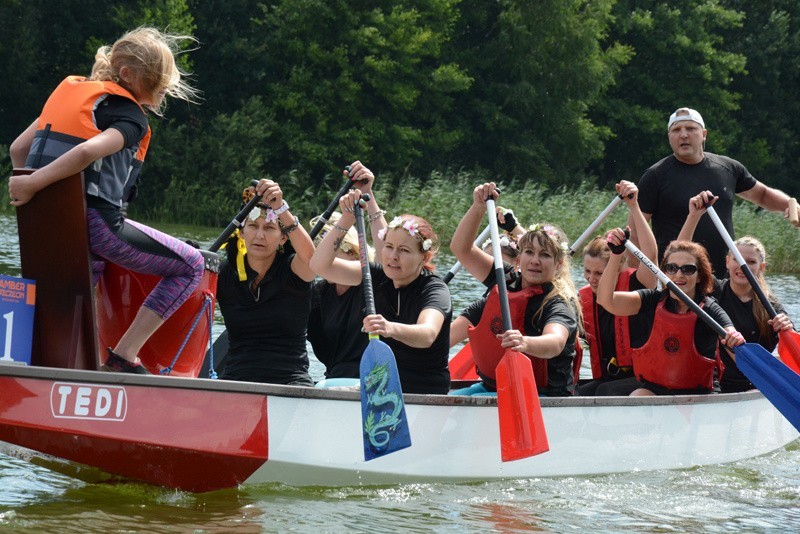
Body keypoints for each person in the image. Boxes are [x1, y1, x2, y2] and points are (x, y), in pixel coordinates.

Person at [7, 27, 204, 374]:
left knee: (85, 277)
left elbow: (18, 149)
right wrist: (35, 183)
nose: (162, 91)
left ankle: (67, 365)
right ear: (128, 75)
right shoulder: (130, 117)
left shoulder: (73, 94)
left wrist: (31, 188)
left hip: (47, 225)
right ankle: (124, 355)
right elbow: (86, 151)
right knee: (190, 265)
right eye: (157, 82)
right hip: (96, 225)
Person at [310, 190, 451, 394]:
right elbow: (319, 266)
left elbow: (427, 334)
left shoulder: (434, 289)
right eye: (389, 247)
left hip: (424, 390)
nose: (393, 256)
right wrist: (347, 218)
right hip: (381, 386)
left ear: (424, 257)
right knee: (324, 390)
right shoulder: (376, 275)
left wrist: (389, 328)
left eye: (404, 250)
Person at [449, 183, 580, 397]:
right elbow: (461, 249)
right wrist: (478, 207)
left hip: (542, 396)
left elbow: (555, 342)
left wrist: (524, 341)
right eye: (529, 252)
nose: (535, 261)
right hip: (497, 387)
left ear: (558, 265)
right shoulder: (505, 279)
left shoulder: (559, 301)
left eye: (545, 255)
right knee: (451, 399)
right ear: (519, 259)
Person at [637, 107, 800, 279]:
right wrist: (640, 280)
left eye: (691, 129)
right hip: (678, 278)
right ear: (669, 137)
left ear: (704, 134)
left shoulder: (728, 168)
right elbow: (635, 233)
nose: (683, 135)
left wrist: (790, 205)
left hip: (725, 279)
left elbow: (762, 195)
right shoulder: (655, 175)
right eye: (676, 130)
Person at [596, 233, 744, 396]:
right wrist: (616, 255)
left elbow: (730, 333)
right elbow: (606, 300)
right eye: (671, 268)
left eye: (688, 269)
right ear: (664, 273)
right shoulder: (651, 300)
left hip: (699, 393)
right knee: (638, 395)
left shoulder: (709, 309)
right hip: (657, 389)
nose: (679, 275)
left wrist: (734, 337)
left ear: (700, 276)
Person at [679, 191, 795, 392]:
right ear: (727, 262)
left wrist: (787, 326)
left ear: (762, 268)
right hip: (712, 384)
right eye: (737, 260)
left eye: (751, 262)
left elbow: (789, 339)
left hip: (754, 386)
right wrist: (693, 216)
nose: (743, 267)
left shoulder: (770, 305)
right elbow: (680, 255)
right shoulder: (713, 289)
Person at [216, 180, 316, 385]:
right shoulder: (224, 273)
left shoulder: (294, 270)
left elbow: (311, 259)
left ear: (283, 238)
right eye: (253, 226)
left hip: (289, 382)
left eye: (269, 228)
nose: (259, 235)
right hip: (235, 380)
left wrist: (281, 209)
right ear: (241, 233)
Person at [577, 180, 659, 396]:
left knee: (603, 390)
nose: (592, 279)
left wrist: (634, 206)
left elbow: (650, 255)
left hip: (643, 378)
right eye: (587, 272)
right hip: (609, 377)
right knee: (575, 392)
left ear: (618, 266)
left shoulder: (637, 286)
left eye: (599, 273)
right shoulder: (581, 300)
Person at [307, 161, 386, 379]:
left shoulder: (370, 276)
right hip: (333, 381)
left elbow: (386, 255)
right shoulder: (318, 293)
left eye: (331, 248)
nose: (320, 254)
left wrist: (368, 194)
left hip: (373, 378)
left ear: (354, 252)